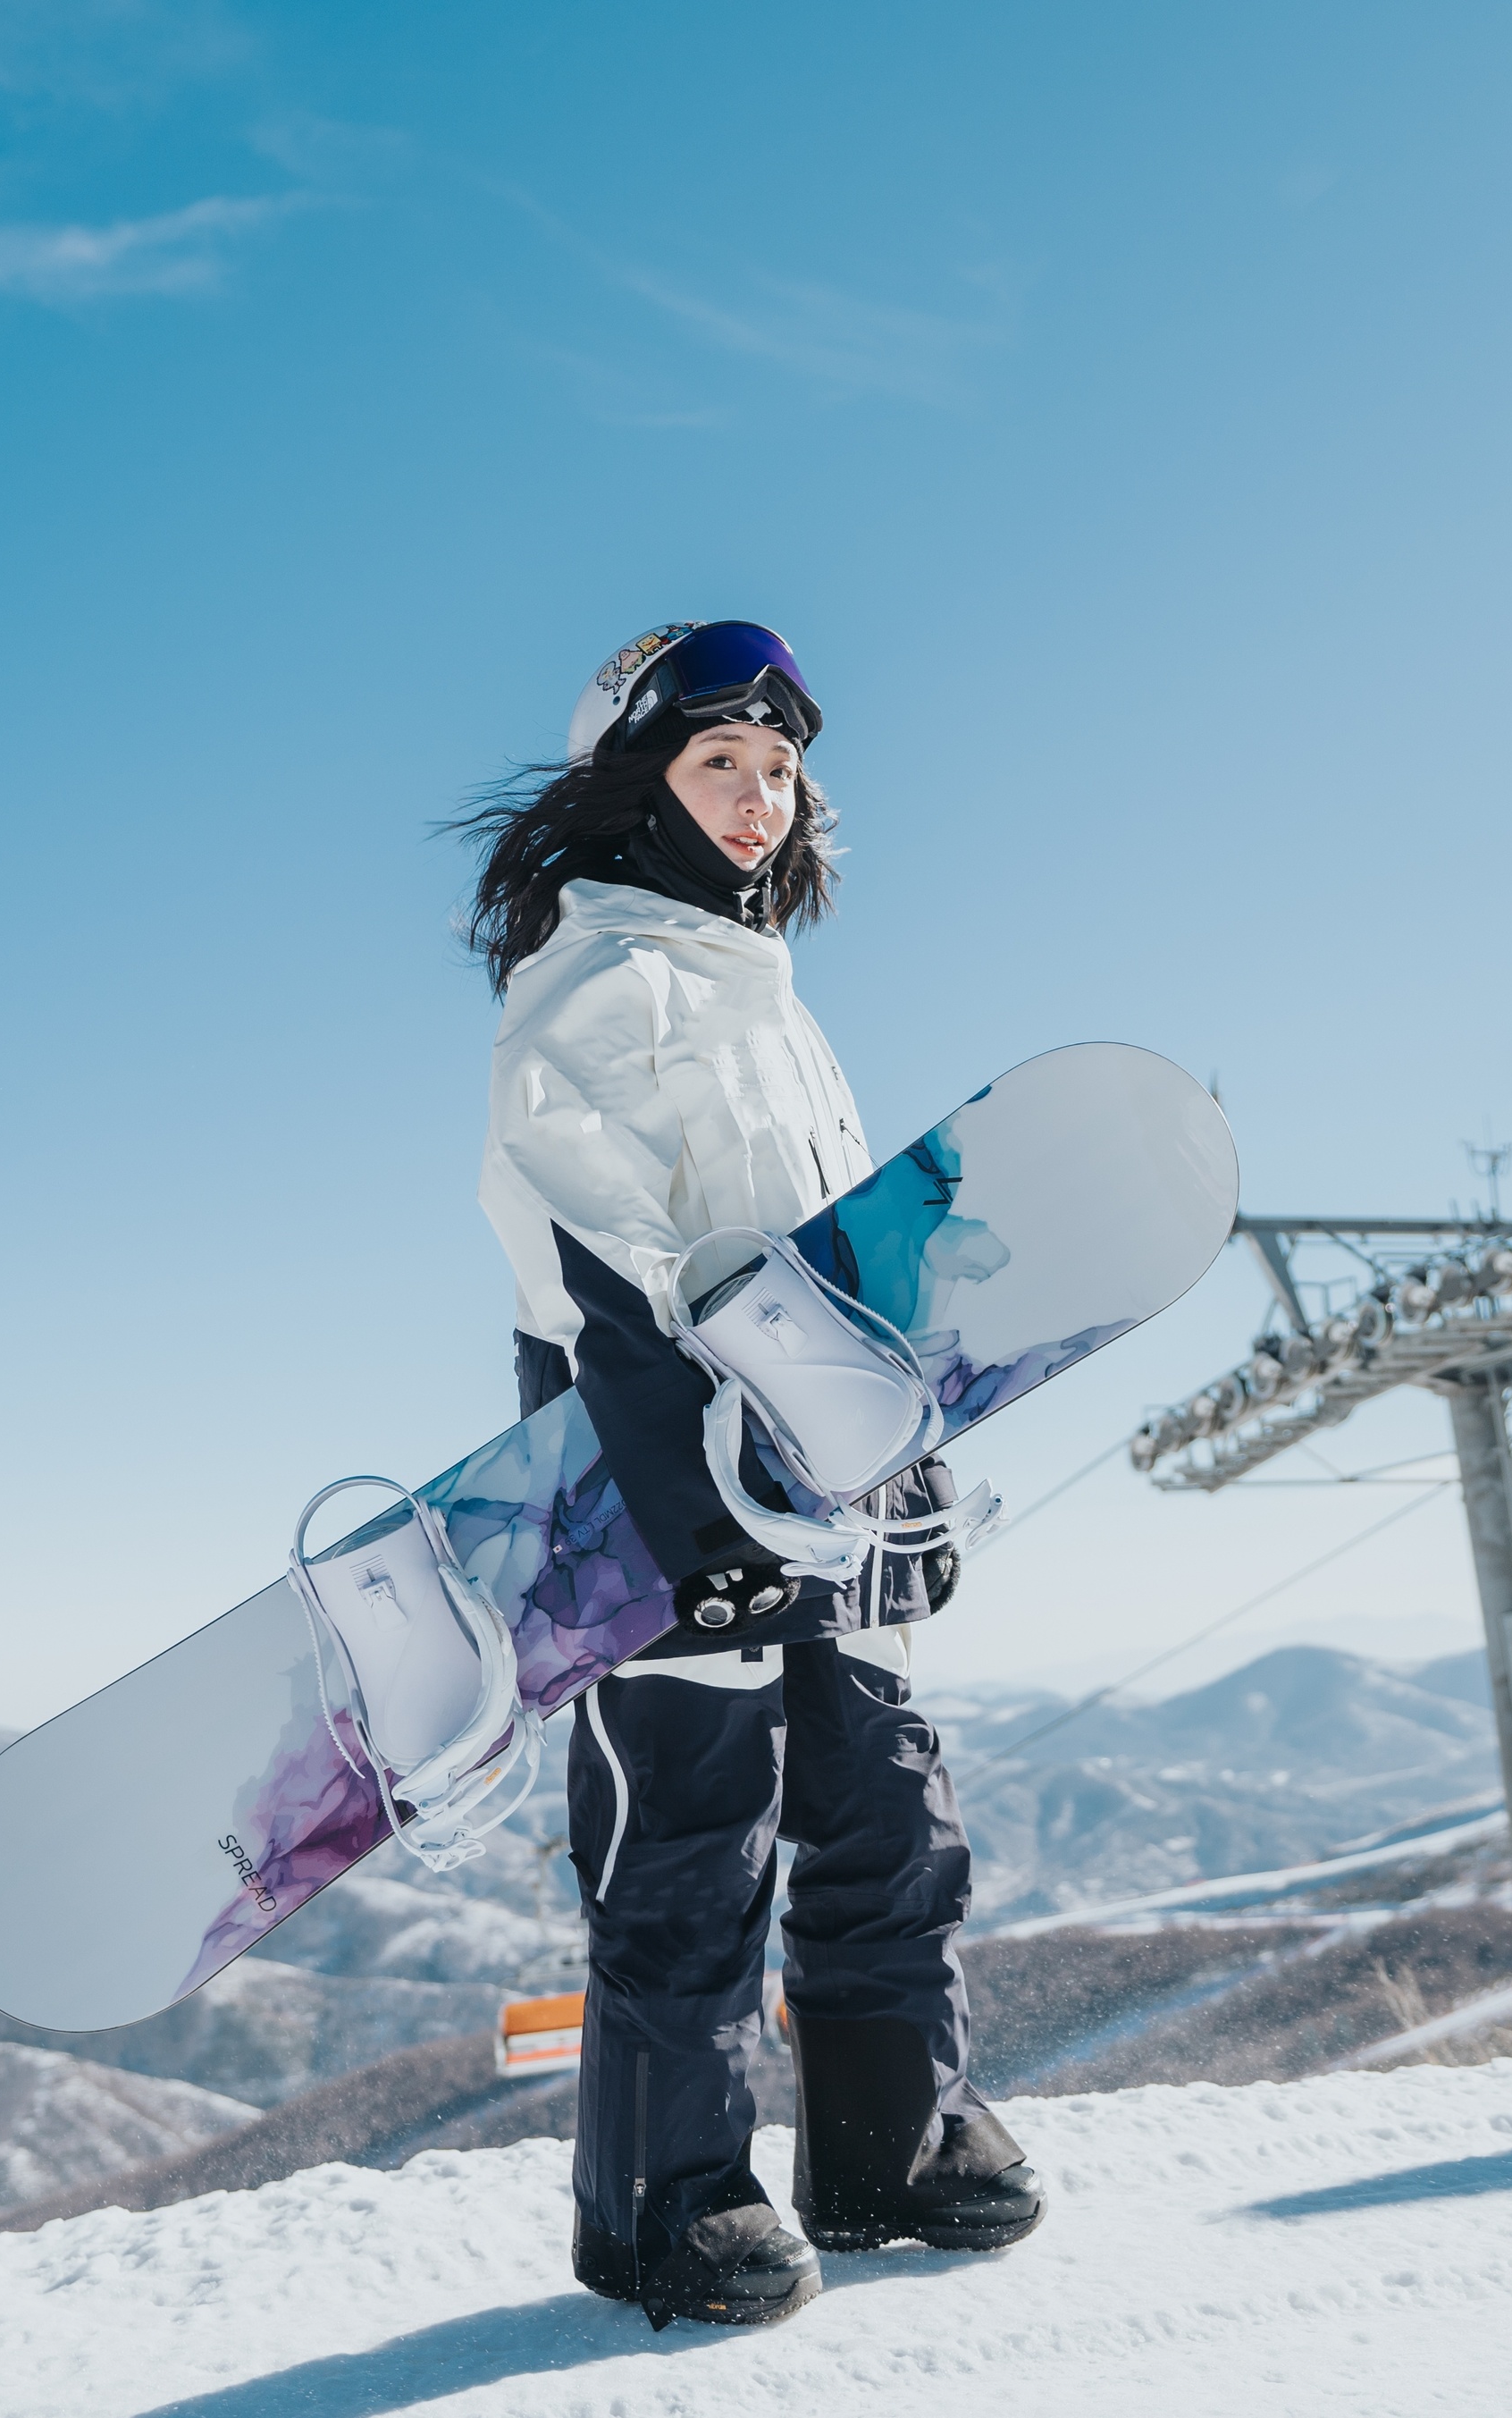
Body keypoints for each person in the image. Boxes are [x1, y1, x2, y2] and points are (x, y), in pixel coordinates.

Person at [461, 621, 1045, 2331]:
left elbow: (859, 1279)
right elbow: (593, 1262)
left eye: (779, 770)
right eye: (720, 763)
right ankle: (671, 2198)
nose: (758, 798)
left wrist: (911, 1477)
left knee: (881, 1802)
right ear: (638, 781)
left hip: (830, 1473)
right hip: (662, 1464)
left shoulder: (775, 1007)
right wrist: (681, 1506)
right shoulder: (591, 982)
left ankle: (892, 2141)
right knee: (693, 1837)